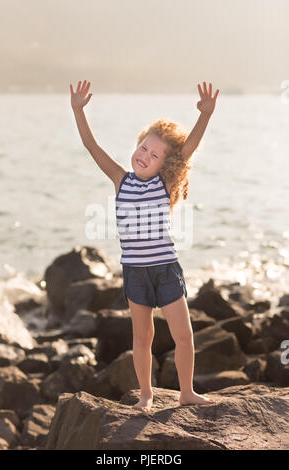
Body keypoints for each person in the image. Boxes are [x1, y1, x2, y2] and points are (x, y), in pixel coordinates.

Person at [70, 80, 219, 413]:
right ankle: (146, 395)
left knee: (184, 336)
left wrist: (205, 116)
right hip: (135, 272)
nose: (145, 156)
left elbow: (186, 150)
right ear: (136, 145)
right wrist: (78, 110)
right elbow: (92, 147)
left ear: (162, 165)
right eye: (143, 148)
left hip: (166, 270)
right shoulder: (120, 179)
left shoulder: (162, 184)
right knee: (142, 337)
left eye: (154, 155)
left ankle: (186, 392)